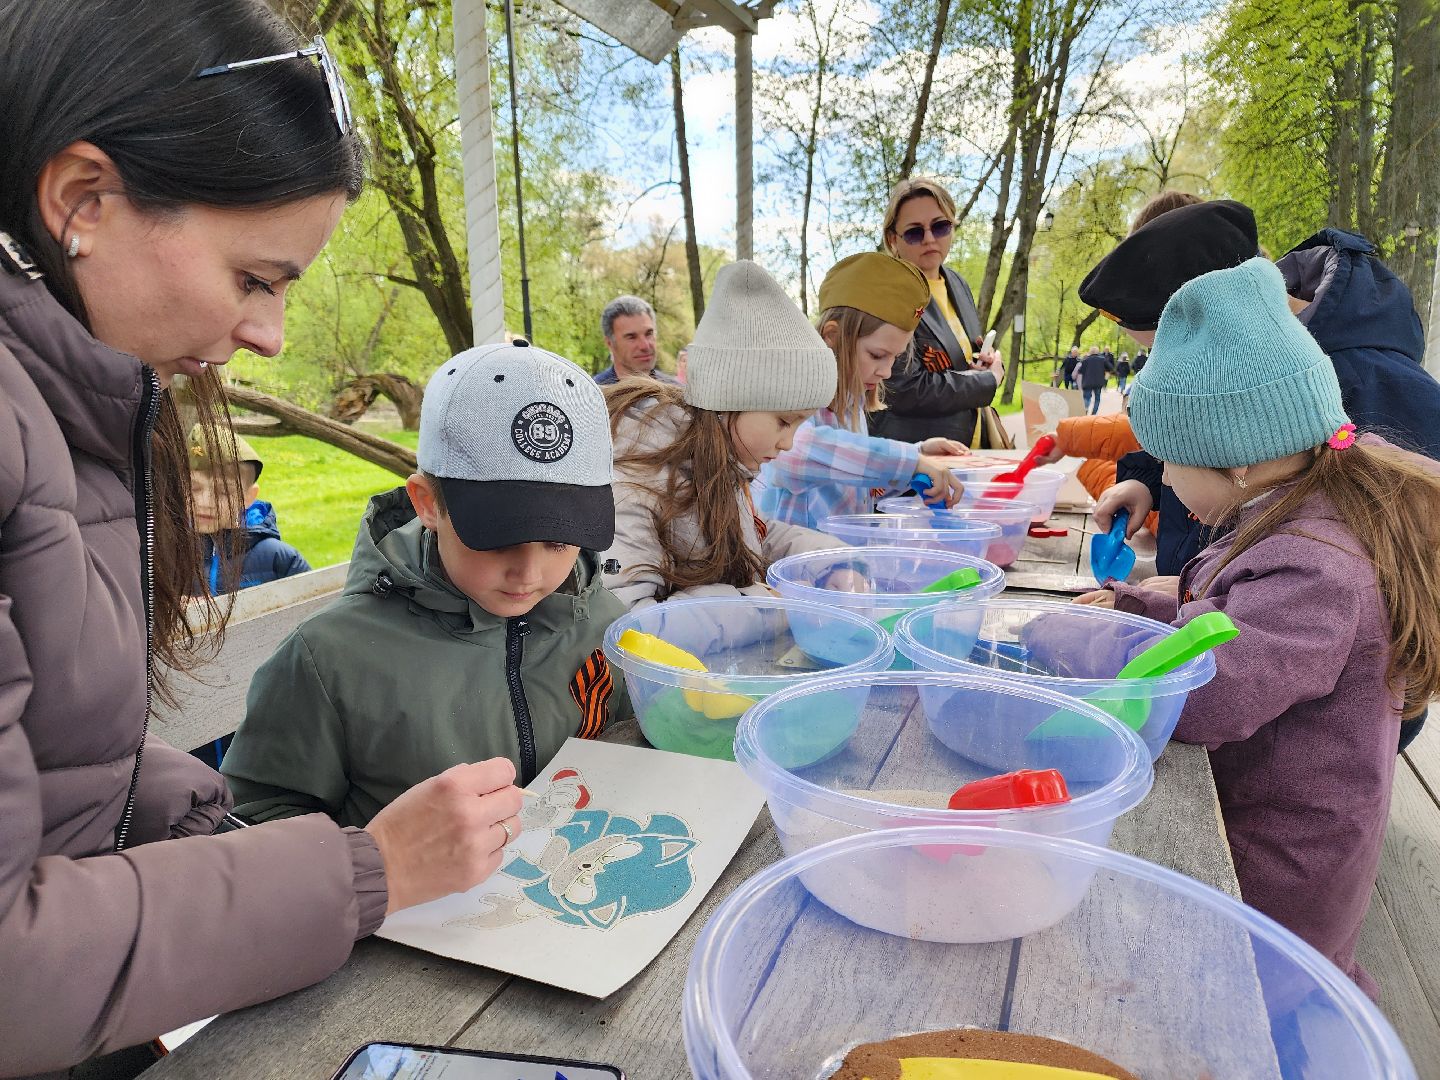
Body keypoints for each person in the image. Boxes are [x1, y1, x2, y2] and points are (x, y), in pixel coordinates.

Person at [0, 4, 523, 1071]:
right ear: (82, 199)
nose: (270, 337)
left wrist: (188, 811)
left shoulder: (66, 411)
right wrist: (367, 872)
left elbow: (47, 752)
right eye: (254, 279)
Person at [1074, 258, 1440, 999]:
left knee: (1239, 1006)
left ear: (1236, 460)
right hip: (1266, 823)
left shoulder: (1314, 567)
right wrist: (1134, 609)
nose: (1164, 479)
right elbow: (1223, 622)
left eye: (1170, 460)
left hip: (1277, 876)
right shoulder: (1301, 510)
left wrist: (1094, 648)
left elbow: (1206, 695)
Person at [223, 341, 632, 825]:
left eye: (560, 541)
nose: (529, 573)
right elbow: (257, 815)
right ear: (427, 503)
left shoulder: (605, 626)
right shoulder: (331, 660)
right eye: (497, 540)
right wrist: (383, 855)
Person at [602, 262, 842, 608]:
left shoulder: (720, 461)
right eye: (784, 421)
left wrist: (834, 560)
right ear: (729, 400)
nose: (788, 443)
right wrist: (759, 606)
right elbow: (628, 617)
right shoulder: (637, 480)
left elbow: (752, 538)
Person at [755, 252, 968, 529]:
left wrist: (919, 455)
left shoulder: (850, 399)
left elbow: (856, 478)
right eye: (877, 355)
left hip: (844, 550)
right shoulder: (794, 390)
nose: (886, 372)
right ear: (832, 337)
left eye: (894, 358)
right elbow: (796, 453)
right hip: (797, 552)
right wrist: (909, 461)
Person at [866, 178, 1005, 447]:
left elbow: (958, 362)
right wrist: (985, 382)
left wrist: (985, 365)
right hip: (915, 456)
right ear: (893, 239)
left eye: (940, 226)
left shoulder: (957, 283)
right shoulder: (887, 294)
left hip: (967, 446)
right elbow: (901, 388)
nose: (929, 239)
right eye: (914, 232)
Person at [188, 424, 311, 594]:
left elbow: (315, 607)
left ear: (248, 497)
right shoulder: (162, 552)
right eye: (193, 488)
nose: (205, 502)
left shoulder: (278, 559)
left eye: (223, 492)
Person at [594, 295, 673, 385]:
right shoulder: (593, 392)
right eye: (631, 337)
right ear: (609, 343)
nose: (645, 346)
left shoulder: (677, 391)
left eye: (649, 334)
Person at [1077, 344, 1111, 414]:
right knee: (1097, 399)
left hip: (1087, 382)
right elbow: (1110, 367)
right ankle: (1094, 413)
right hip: (1098, 382)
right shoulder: (1102, 359)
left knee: (1087, 398)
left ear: (1090, 351)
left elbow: (1080, 371)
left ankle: (1085, 409)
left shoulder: (1085, 360)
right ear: (1097, 352)